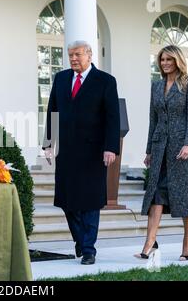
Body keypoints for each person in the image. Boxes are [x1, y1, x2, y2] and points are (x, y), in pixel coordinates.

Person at [43, 40, 120, 265]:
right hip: (66, 150)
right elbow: (52, 112)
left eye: (77, 54)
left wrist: (111, 147)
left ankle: (88, 249)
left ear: (89, 55)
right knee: (67, 200)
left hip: (93, 151)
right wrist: (48, 143)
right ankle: (80, 239)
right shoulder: (61, 78)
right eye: (70, 55)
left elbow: (112, 117)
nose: (73, 59)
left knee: (89, 200)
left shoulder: (106, 81)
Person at [135, 45, 188, 261]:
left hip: (181, 150)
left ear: (177, 60)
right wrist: (149, 150)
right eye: (162, 60)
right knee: (156, 194)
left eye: (169, 59)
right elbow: (153, 120)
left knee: (184, 197)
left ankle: (187, 240)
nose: (165, 63)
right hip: (159, 148)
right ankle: (149, 243)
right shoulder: (156, 86)